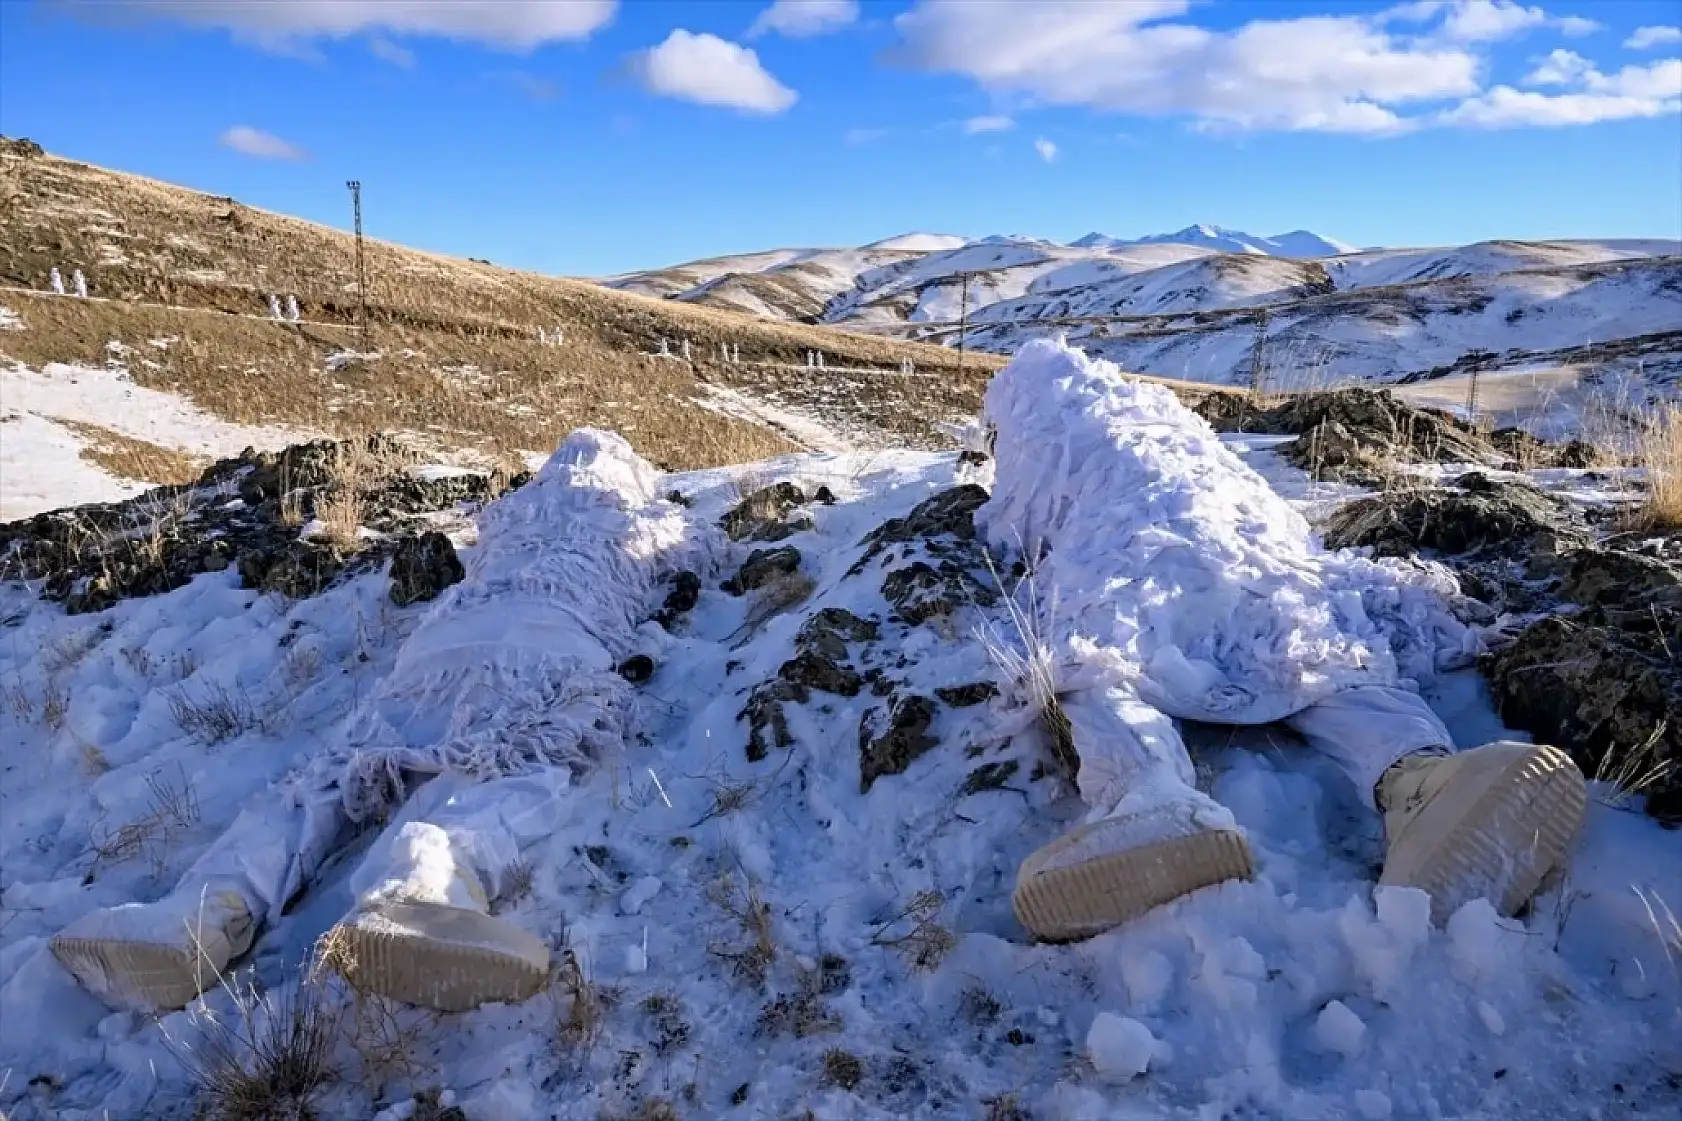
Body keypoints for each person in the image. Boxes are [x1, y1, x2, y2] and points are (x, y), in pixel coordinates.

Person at [48, 430, 715, 1012]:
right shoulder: (638, 513)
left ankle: (199, 913)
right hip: (545, 647)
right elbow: (696, 554)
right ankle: (422, 885)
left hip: (432, 651)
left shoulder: (517, 511)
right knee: (504, 765)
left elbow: (475, 539)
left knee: (330, 779)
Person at [975, 339, 1586, 942]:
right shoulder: (1165, 420)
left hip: (1136, 554)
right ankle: (1422, 779)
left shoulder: (1045, 435)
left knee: (1099, 662)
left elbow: (1018, 532)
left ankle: (1147, 794)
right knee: (1319, 647)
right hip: (1248, 548)